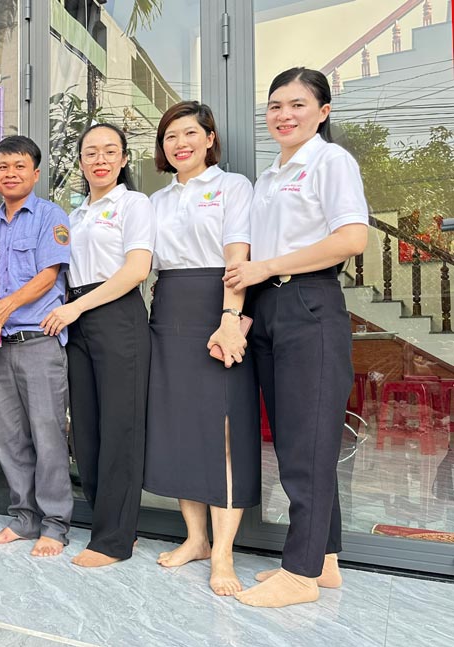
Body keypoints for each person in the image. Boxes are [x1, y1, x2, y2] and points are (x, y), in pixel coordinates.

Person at [224, 67, 369, 607]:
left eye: (298, 105)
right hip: (269, 309)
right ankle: (324, 560)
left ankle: (300, 573)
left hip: (310, 302)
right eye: (276, 106)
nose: (284, 115)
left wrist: (269, 268)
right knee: (292, 442)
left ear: (323, 111)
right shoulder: (267, 177)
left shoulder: (331, 161)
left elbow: (352, 237)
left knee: (308, 444)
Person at [142, 101, 258, 596]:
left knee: (223, 430)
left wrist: (231, 319)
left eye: (190, 133)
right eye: (171, 136)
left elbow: (238, 256)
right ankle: (197, 539)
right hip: (168, 310)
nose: (180, 143)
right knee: (181, 428)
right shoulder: (154, 201)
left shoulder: (233, 187)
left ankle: (225, 553)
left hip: (218, 306)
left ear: (210, 138)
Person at [41, 122, 154, 568]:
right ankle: (106, 523)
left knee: (120, 428)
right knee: (85, 429)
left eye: (110, 151)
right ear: (81, 162)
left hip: (116, 313)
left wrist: (76, 308)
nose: (100, 159)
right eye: (91, 152)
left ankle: (114, 540)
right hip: (77, 319)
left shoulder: (134, 203)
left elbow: (137, 270)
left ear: (124, 159)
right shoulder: (74, 215)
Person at [0, 135, 73, 558]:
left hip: (39, 343)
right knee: (8, 438)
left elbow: (49, 276)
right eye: (2, 166)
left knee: (48, 435)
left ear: (35, 172)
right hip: (1, 347)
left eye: (19, 166)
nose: (10, 174)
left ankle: (55, 524)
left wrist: (3, 308)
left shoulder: (51, 216)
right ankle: (24, 518)